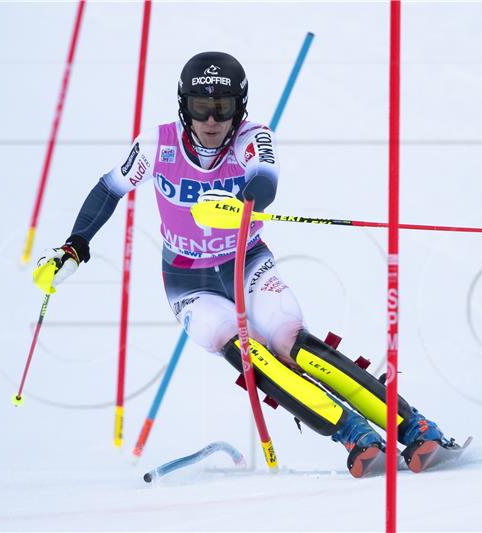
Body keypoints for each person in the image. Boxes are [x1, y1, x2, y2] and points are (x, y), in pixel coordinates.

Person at [34, 51, 450, 477]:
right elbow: (109, 189)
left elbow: (265, 179)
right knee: (246, 352)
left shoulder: (253, 136)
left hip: (247, 264)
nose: (211, 122)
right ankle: (354, 435)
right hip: (188, 280)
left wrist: (239, 204)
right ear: (184, 106)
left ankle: (416, 427)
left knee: (292, 341)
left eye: (223, 108)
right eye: (200, 108)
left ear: (239, 108)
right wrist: (74, 247)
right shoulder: (155, 145)